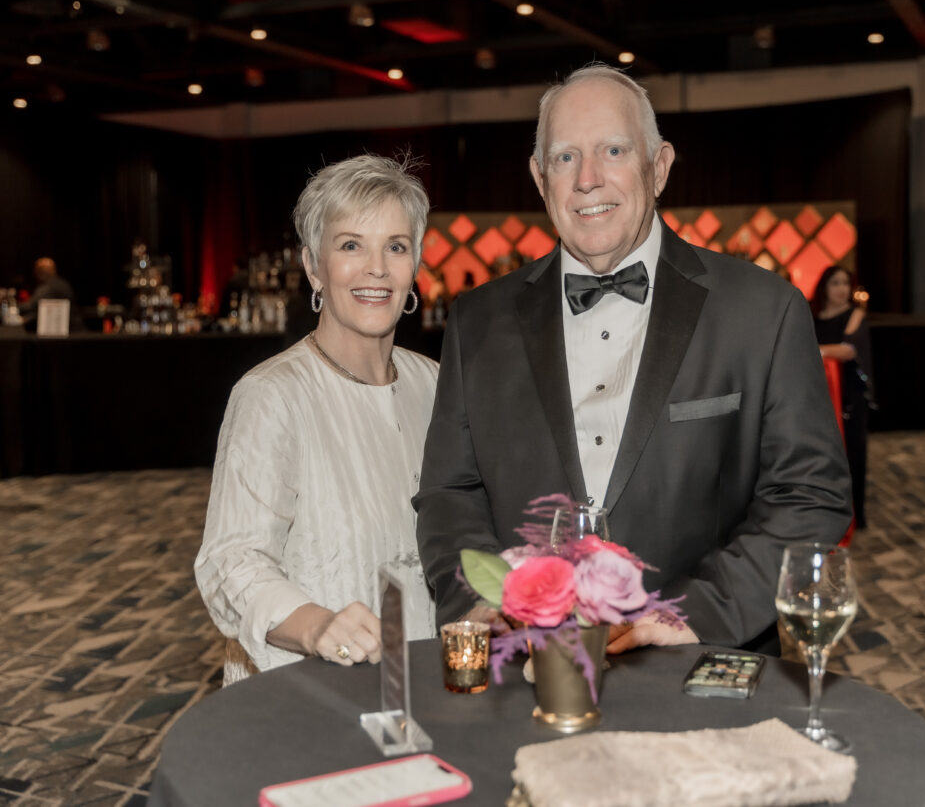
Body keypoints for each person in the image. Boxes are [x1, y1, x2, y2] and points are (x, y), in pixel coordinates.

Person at [413, 64, 852, 656]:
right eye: (565, 158)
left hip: (703, 662)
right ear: (540, 180)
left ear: (660, 166)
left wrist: (696, 617)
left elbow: (809, 497)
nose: (588, 180)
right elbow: (450, 493)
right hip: (524, 668)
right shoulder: (477, 322)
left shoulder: (763, 312)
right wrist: (486, 603)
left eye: (613, 150)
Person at [196, 155, 439, 684]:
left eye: (395, 247)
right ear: (313, 266)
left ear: (414, 263)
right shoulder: (272, 396)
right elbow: (232, 563)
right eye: (350, 245)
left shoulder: (439, 385)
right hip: (310, 688)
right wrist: (318, 627)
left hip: (424, 678)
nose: (376, 268)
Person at [811, 265, 874, 529]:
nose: (842, 289)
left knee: (853, 453)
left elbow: (847, 350)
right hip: (817, 396)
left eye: (846, 283)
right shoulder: (811, 315)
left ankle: (854, 514)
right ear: (824, 287)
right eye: (835, 283)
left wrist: (815, 350)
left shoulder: (855, 315)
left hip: (848, 395)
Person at [20, 256, 83, 331]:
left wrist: (12, 307)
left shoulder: (49, 286)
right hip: (70, 329)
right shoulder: (62, 283)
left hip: (69, 332)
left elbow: (30, 305)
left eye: (39, 270)